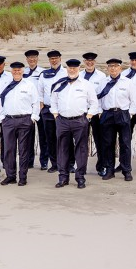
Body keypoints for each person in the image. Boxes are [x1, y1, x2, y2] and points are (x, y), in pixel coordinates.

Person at [50, 59, 99, 189]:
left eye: (74, 68)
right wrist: (55, 114)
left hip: (80, 121)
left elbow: (94, 103)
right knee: (62, 149)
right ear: (66, 68)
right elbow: (53, 101)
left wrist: (88, 117)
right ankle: (63, 178)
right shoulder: (59, 84)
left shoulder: (86, 84)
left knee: (81, 150)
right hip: (62, 121)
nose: (72, 70)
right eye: (70, 68)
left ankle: (80, 178)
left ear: (78, 69)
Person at [0, 61, 40, 186]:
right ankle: (10, 176)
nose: (16, 72)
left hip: (24, 120)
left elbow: (36, 102)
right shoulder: (6, 84)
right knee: (9, 150)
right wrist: (2, 117)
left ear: (23, 71)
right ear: (11, 71)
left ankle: (23, 177)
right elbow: (1, 101)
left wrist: (33, 118)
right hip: (8, 121)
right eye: (14, 70)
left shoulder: (29, 85)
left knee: (23, 150)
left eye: (19, 70)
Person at [98, 58, 136, 182]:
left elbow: (134, 100)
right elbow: (97, 98)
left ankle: (126, 170)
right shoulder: (103, 82)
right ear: (107, 68)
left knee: (125, 143)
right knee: (108, 144)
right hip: (107, 114)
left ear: (120, 68)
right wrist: (99, 112)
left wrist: (130, 114)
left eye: (115, 66)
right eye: (110, 66)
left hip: (123, 114)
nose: (113, 68)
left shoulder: (127, 82)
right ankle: (110, 170)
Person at [37, 50, 65, 173]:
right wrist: (42, 106)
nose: (54, 60)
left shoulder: (66, 72)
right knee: (50, 138)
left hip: (62, 111)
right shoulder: (44, 74)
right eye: (51, 59)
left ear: (60, 58)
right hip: (47, 110)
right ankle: (54, 164)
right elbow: (40, 92)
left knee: (64, 138)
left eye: (56, 58)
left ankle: (68, 163)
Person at [81, 52, 107, 176]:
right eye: (87, 60)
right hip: (82, 113)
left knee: (100, 141)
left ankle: (101, 167)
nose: (89, 63)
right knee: (81, 142)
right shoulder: (79, 75)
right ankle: (81, 167)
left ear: (95, 62)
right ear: (84, 62)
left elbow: (103, 95)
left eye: (91, 61)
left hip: (97, 113)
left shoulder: (101, 76)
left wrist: (100, 111)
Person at [23, 49, 48, 170]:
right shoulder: (23, 72)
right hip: (28, 108)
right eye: (29, 58)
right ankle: (29, 161)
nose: (32, 60)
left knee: (43, 136)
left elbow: (45, 88)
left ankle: (44, 161)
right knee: (29, 136)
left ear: (37, 58)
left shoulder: (43, 72)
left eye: (34, 57)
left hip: (41, 107)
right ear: (26, 59)